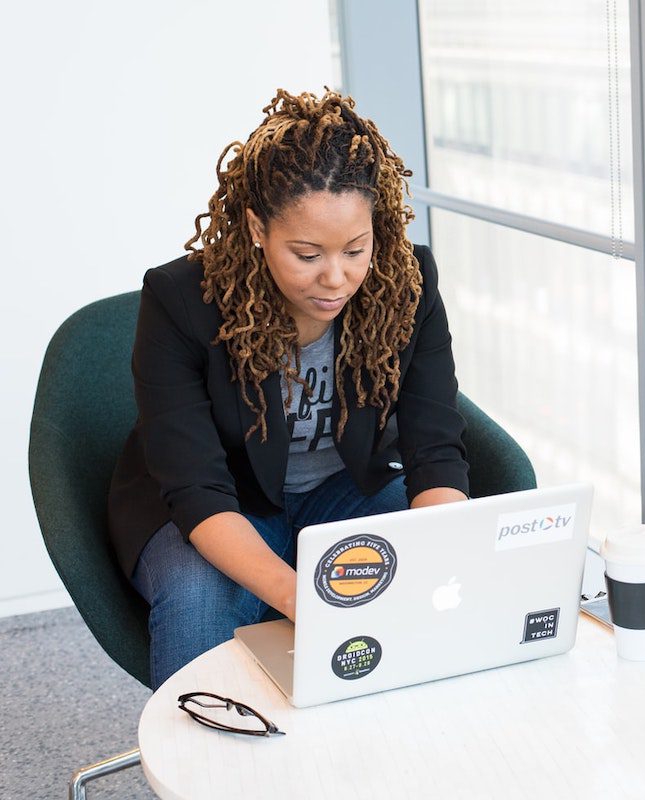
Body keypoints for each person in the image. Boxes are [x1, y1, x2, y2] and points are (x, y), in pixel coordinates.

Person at [107, 88, 470, 690]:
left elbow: (435, 449)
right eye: (307, 254)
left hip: (341, 492)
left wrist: (440, 553)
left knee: (435, 576)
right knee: (202, 599)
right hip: (222, 504)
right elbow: (196, 488)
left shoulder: (408, 281)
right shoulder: (180, 302)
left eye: (356, 249)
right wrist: (303, 596)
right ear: (257, 227)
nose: (337, 277)